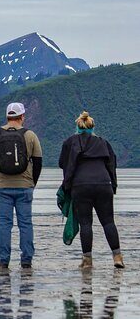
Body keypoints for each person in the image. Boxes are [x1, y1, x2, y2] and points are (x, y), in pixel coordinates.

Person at [0, 102, 43, 269]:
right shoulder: (31, 136)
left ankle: (3, 260)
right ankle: (27, 260)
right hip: (25, 187)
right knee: (25, 223)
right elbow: (38, 163)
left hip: (2, 186)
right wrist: (32, 183)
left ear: (7, 116)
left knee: (5, 224)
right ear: (22, 117)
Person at [59, 111, 123, 269]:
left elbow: (63, 164)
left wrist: (67, 186)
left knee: (85, 224)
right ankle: (117, 257)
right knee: (108, 222)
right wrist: (113, 186)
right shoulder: (103, 142)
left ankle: (87, 261)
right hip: (103, 184)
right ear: (92, 127)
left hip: (81, 186)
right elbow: (111, 165)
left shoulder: (70, 142)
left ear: (78, 126)